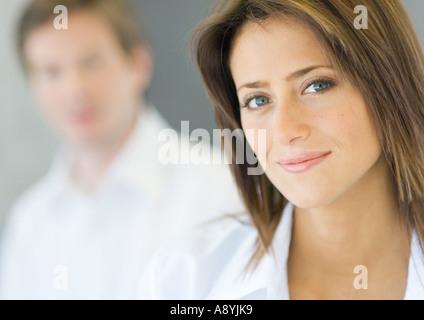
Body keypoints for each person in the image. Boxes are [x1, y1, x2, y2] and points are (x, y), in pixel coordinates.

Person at [142, 0, 424, 300]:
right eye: (258, 100)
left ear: (389, 83)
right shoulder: (185, 281)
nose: (285, 131)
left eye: (316, 85)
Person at [0, 0, 241, 299]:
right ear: (33, 87)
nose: (74, 89)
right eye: (51, 72)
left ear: (138, 65)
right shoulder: (30, 221)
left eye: (91, 62)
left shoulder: (217, 188)